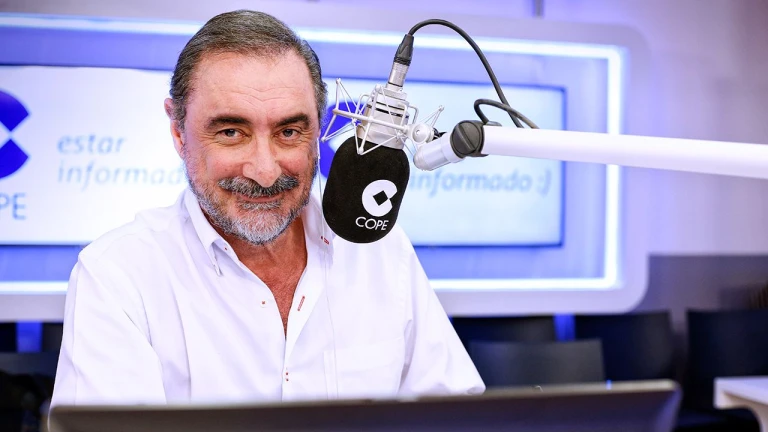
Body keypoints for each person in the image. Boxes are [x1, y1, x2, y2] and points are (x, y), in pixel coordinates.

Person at [51, 9, 484, 406]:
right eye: (231, 132)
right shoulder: (118, 277)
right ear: (179, 131)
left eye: (289, 132)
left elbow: (456, 413)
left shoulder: (379, 248)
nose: (264, 170)